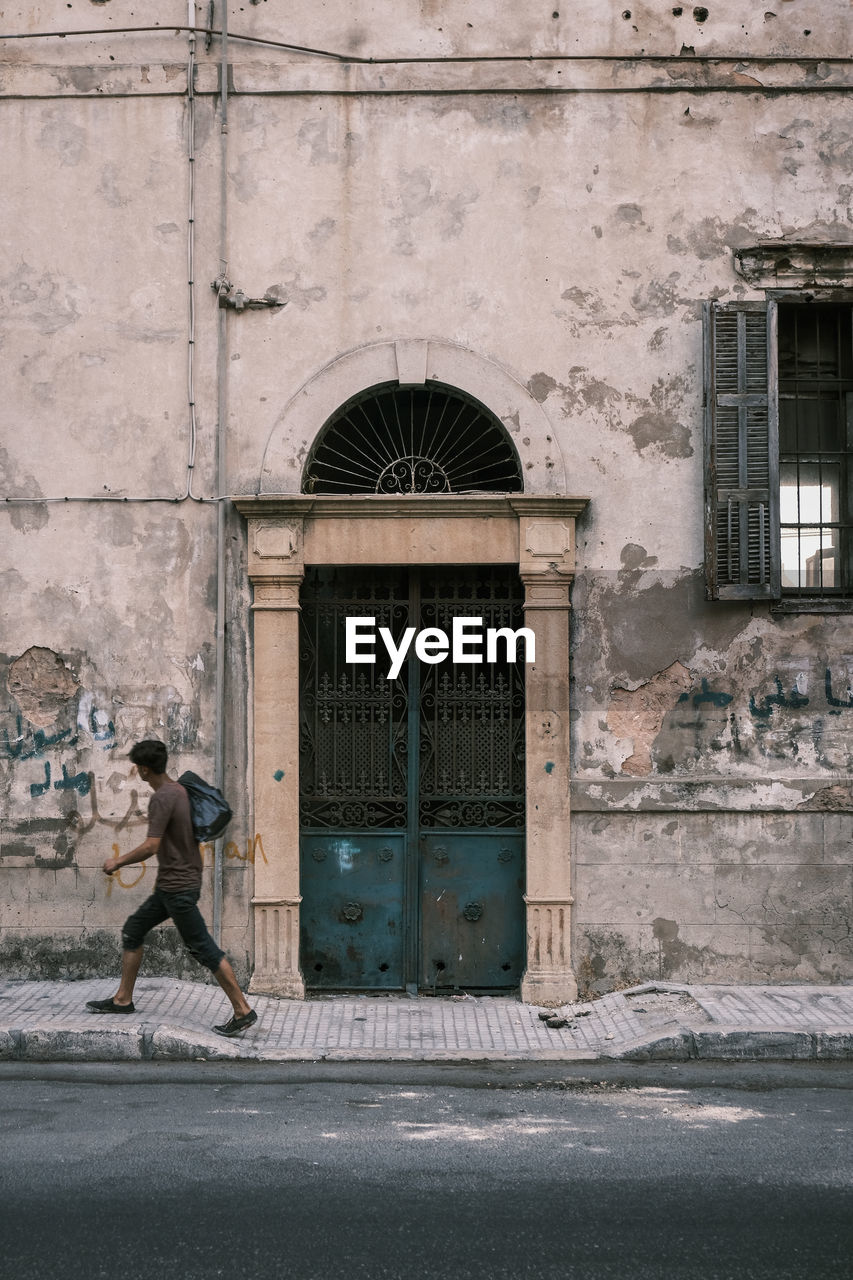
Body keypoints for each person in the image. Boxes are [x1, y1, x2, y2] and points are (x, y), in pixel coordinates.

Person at [85, 739, 257, 1038]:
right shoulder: (180, 790)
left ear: (144, 770)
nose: (136, 771)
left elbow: (151, 845)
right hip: (173, 886)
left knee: (203, 948)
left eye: (137, 767)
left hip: (178, 888)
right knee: (133, 929)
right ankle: (123, 999)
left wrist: (118, 861)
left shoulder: (163, 798)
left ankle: (242, 1010)